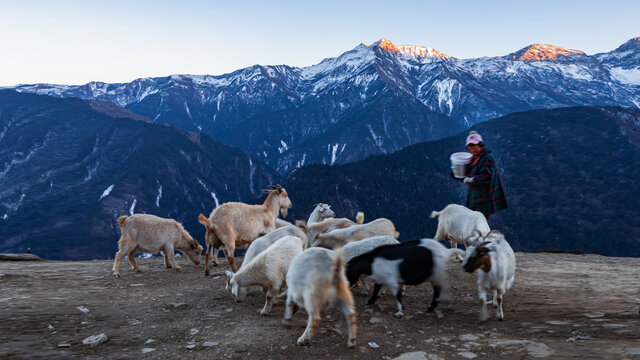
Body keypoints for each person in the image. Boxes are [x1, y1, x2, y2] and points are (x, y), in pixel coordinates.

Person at [451, 131, 507, 219]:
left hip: (484, 201)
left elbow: (487, 177)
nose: (471, 149)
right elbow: (465, 174)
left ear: (480, 145)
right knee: (472, 225)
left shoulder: (486, 158)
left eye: (474, 145)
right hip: (475, 198)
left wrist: (471, 180)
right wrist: (456, 172)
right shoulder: (474, 158)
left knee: (476, 226)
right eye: (469, 146)